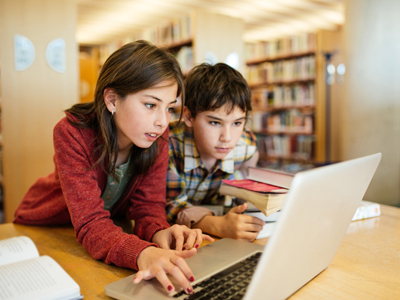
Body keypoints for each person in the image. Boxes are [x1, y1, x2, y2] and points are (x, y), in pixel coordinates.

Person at [14, 40, 213, 295]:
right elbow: (89, 223)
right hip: (50, 228)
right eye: (151, 105)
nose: (163, 121)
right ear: (112, 100)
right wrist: (143, 252)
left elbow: (147, 208)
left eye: (170, 108)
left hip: (106, 233)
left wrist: (159, 232)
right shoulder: (71, 133)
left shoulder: (157, 139)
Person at [166, 62, 265, 242]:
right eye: (215, 123)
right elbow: (169, 207)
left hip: (216, 235)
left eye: (237, 123)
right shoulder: (168, 146)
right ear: (188, 117)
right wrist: (218, 225)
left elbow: (247, 187)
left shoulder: (246, 147)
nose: (227, 137)